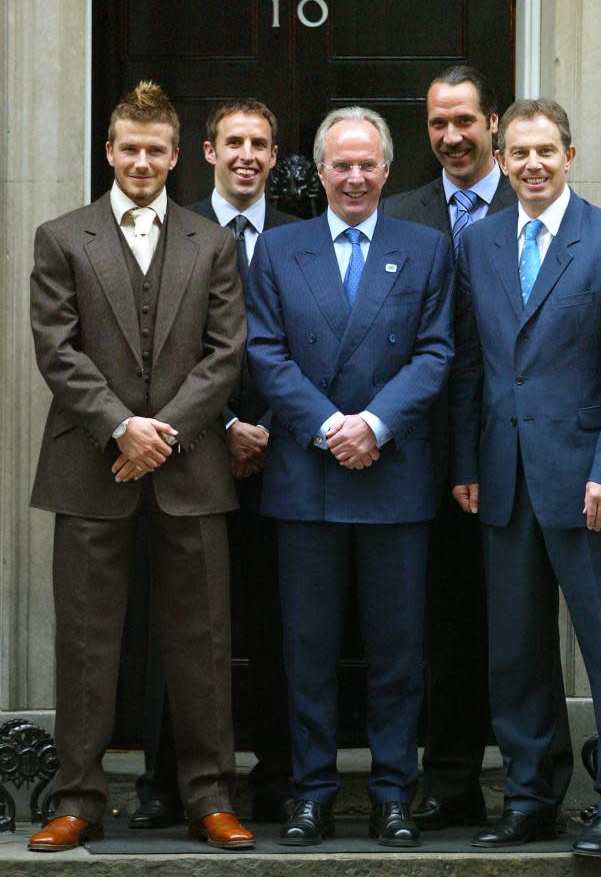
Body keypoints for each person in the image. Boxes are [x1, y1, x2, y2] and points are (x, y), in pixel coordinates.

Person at [28, 81, 254, 852]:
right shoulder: (62, 236)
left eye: (156, 150)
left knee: (202, 641)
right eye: (130, 149)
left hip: (189, 470)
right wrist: (122, 428)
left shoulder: (210, 242)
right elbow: (56, 350)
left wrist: (165, 433)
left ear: (176, 154)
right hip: (92, 467)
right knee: (88, 643)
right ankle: (78, 799)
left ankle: (208, 797)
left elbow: (226, 353)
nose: (142, 162)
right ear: (110, 151)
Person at [451, 98, 601, 858]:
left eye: (545, 151)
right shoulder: (477, 244)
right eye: (517, 153)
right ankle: (531, 797)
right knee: (515, 653)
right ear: (500, 161)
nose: (531, 165)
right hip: (503, 483)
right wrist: (467, 463)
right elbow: (470, 360)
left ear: (569, 155)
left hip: (588, 486)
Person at [246, 106, 455, 848]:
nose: (355, 176)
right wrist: (331, 426)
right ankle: (311, 795)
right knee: (308, 651)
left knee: (398, 656)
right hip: (308, 479)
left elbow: (436, 352)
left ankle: (394, 795)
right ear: (318, 170)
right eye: (341, 165)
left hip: (392, 479)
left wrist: (374, 424)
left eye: (368, 164)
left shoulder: (425, 248)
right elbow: (264, 353)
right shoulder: (278, 248)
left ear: (388, 169)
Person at [131, 99, 296, 829]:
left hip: (287, 461)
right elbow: (161, 352)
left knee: (275, 626)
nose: (246, 155)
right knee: (182, 623)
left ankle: (278, 780)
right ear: (205, 151)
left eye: (259, 143)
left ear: (274, 153)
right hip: (188, 454)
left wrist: (263, 428)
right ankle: (165, 782)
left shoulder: (301, 237)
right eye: (233, 142)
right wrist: (225, 423)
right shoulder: (171, 229)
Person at [381, 65, 515, 828]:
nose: (452, 137)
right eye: (437, 124)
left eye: (464, 121)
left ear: (490, 122)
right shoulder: (401, 212)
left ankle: (530, 780)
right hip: (418, 459)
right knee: (439, 625)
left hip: (509, 451)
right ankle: (449, 779)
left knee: (514, 622)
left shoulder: (528, 200)